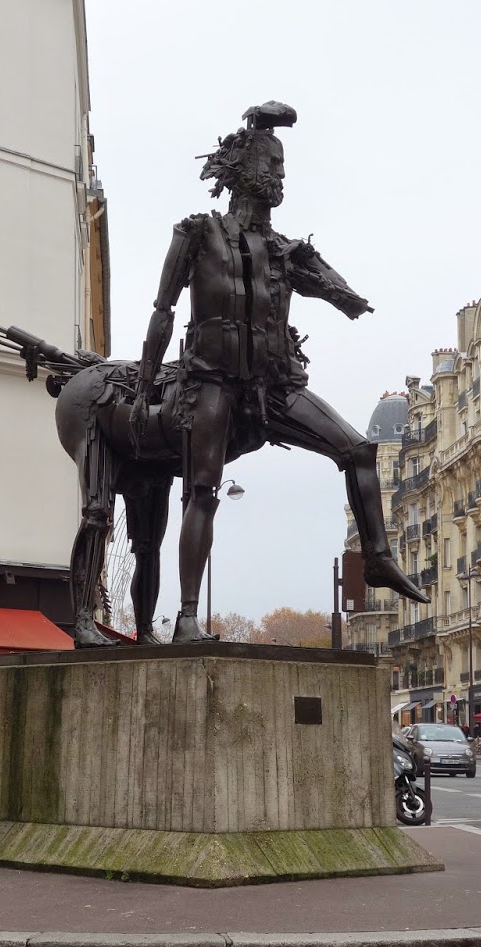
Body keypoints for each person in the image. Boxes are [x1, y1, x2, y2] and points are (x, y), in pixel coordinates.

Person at [133, 101, 424, 641]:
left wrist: (348, 297)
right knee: (202, 490)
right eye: (272, 166)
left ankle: (378, 558)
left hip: (275, 386)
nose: (280, 178)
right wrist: (146, 386)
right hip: (213, 379)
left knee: (357, 450)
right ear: (243, 170)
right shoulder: (199, 234)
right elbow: (162, 311)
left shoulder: (285, 251)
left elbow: (331, 283)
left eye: (284, 169)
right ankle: (188, 618)